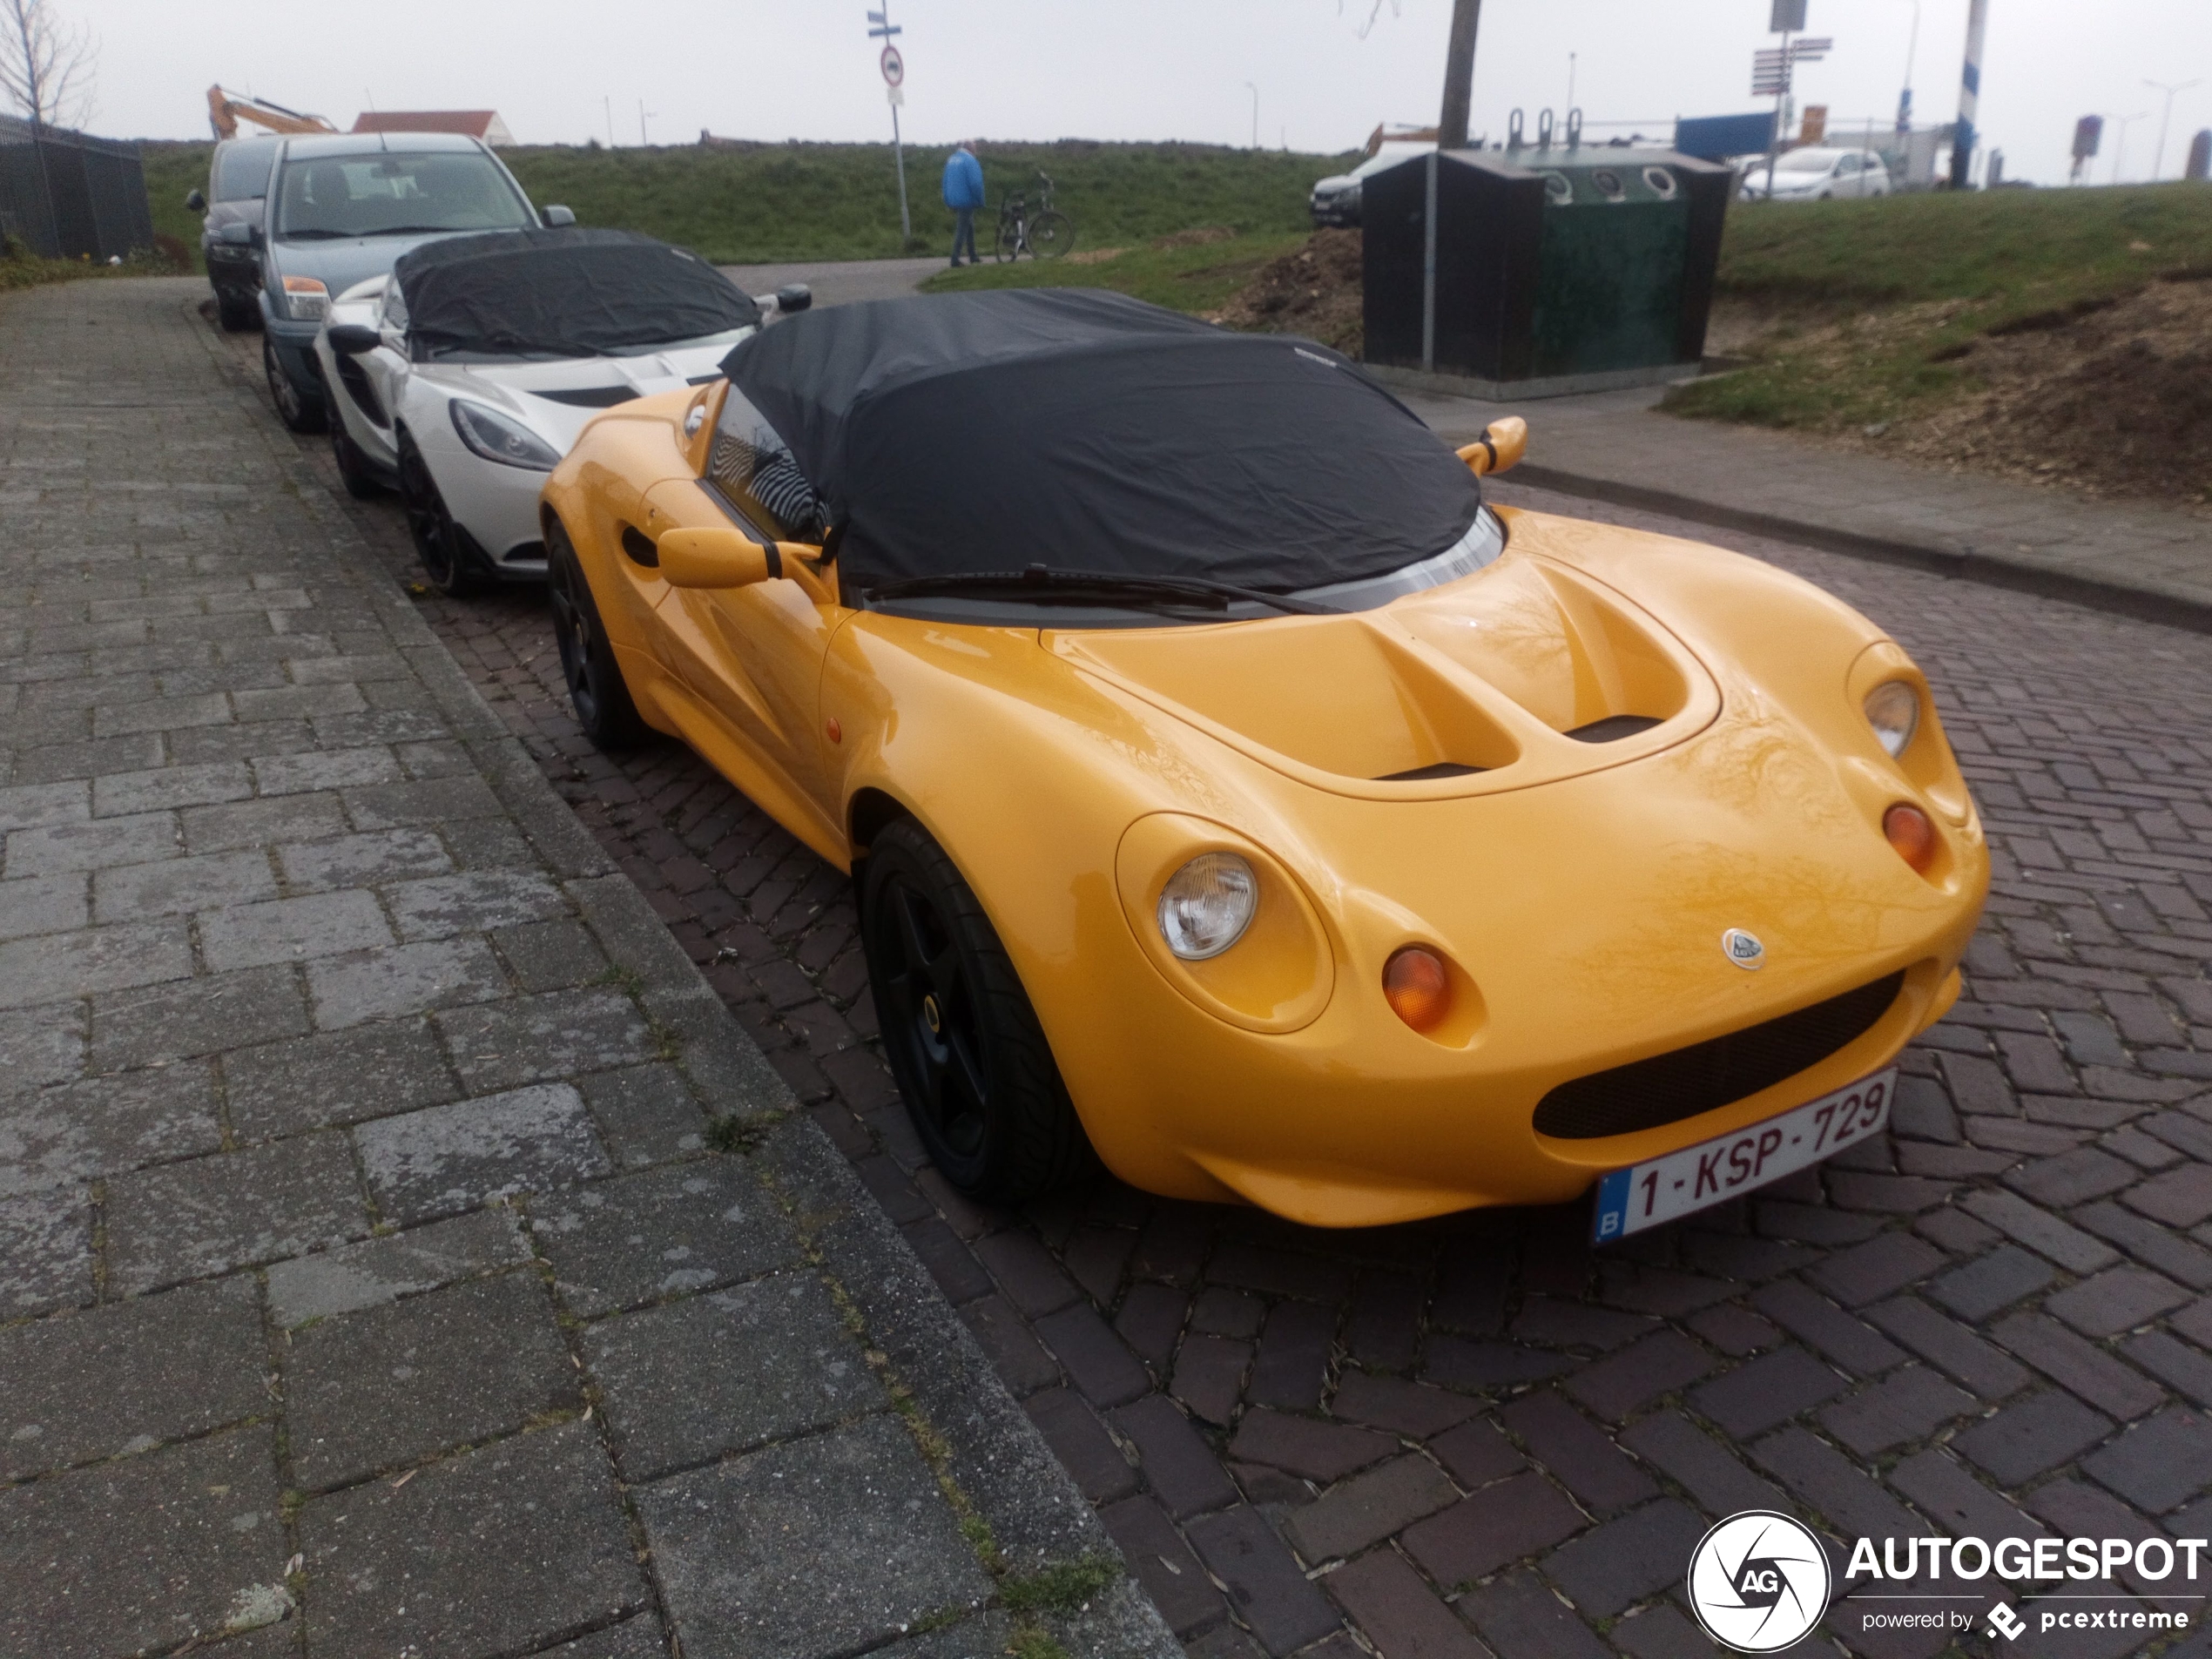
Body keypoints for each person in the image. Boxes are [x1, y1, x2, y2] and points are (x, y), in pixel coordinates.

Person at [942, 140, 985, 267]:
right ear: (971, 148)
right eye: (975, 148)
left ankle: (973, 255)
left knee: (969, 226)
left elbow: (945, 181)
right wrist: (980, 200)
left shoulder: (951, 160)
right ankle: (955, 258)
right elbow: (975, 183)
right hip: (966, 199)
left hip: (954, 199)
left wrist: (947, 199)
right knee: (962, 228)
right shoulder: (970, 161)